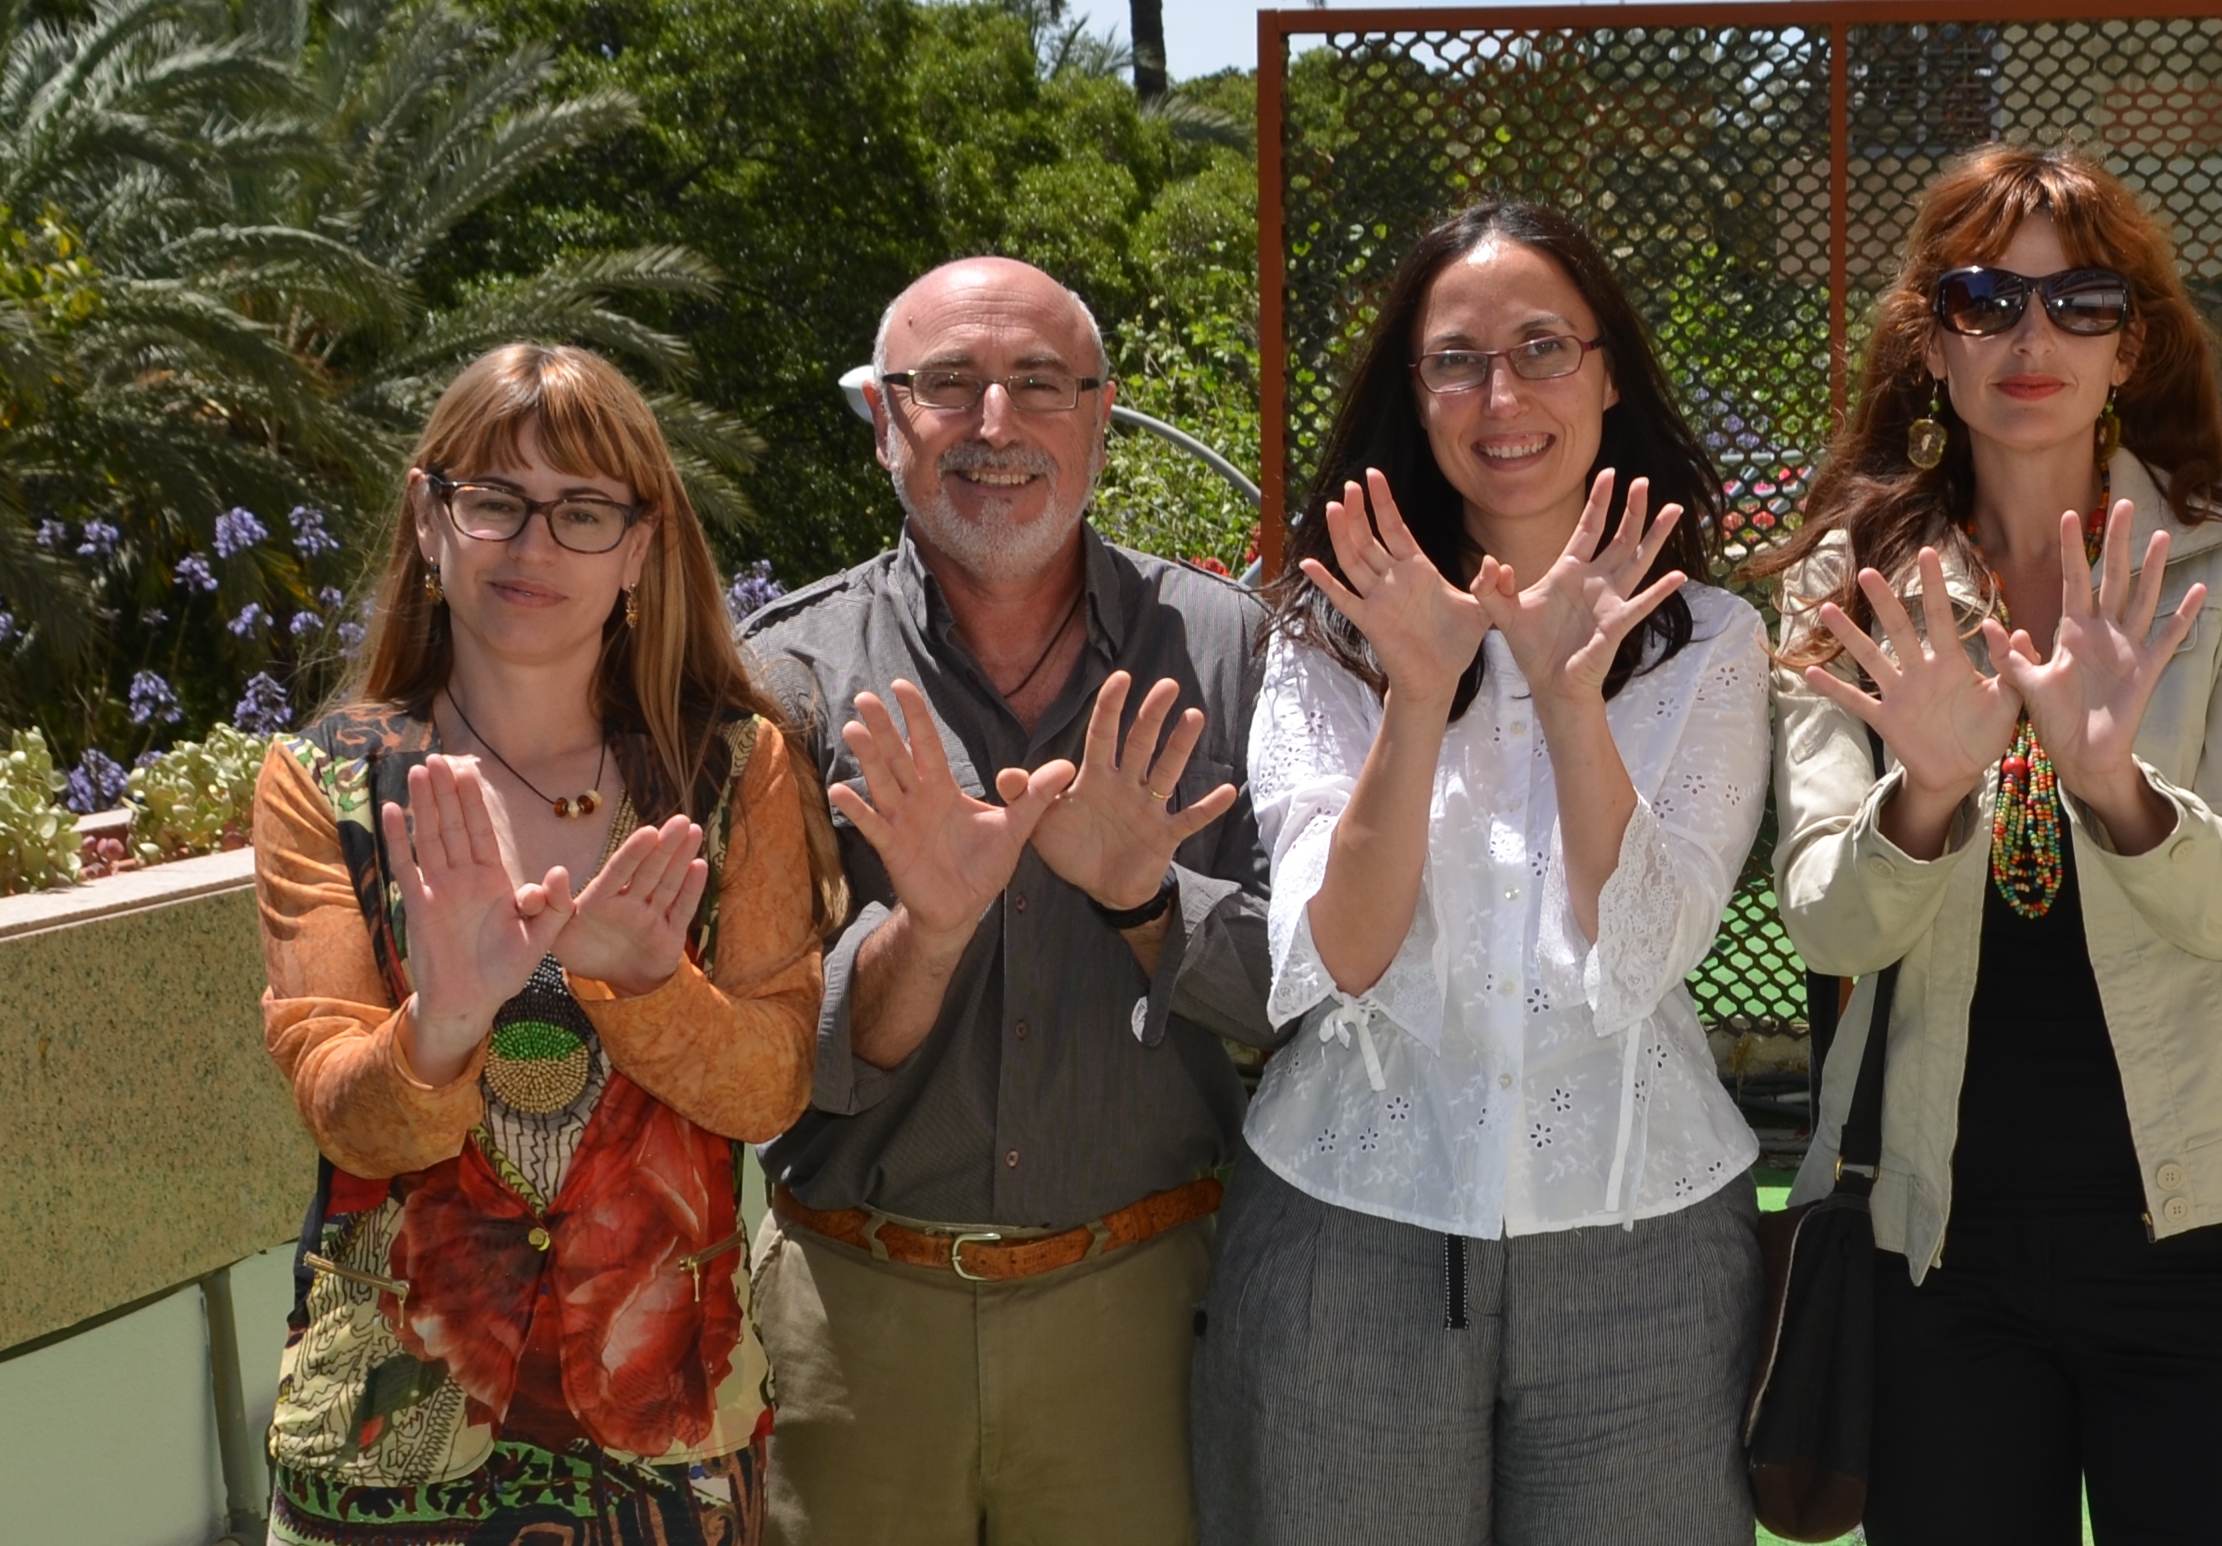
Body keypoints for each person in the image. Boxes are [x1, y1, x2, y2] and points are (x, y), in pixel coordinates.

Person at [1755, 144, 2222, 1544]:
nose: (2030, 338)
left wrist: (2117, 788)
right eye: (1985, 300)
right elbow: (1825, 917)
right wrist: (1923, 793)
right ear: (1931, 340)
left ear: (2132, 346)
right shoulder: (1848, 578)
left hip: (2217, 1244)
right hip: (1936, 1259)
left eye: (2079, 302)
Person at [1193, 201, 1771, 1545]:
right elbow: (1339, 950)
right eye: (1454, 358)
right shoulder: (1329, 632)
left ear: (1609, 370)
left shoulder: (1711, 642)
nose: (1499, 393)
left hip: (1645, 1248)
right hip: (1349, 1233)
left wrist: (1572, 704)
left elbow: (1637, 955)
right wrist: (1417, 689)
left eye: (1541, 346)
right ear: (1415, 392)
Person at [252, 343, 838, 1544]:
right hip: (385, 1429)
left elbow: (773, 1081)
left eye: (581, 512)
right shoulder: (323, 781)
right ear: (428, 519)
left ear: (638, 546)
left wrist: (645, 986)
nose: (532, 548)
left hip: (664, 1424)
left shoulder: (734, 771)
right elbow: (343, 1115)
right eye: (494, 503)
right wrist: (442, 1022)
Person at [738, 256, 1275, 1546]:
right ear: (884, 423)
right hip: (855, 1325)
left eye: (1038, 384)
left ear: (1098, 415)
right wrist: (923, 934)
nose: (994, 425)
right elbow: (755, 1051)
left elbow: (1308, 986)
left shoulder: (1228, 649)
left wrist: (1146, 898)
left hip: (1142, 1319)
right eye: (946, 387)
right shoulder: (784, 676)